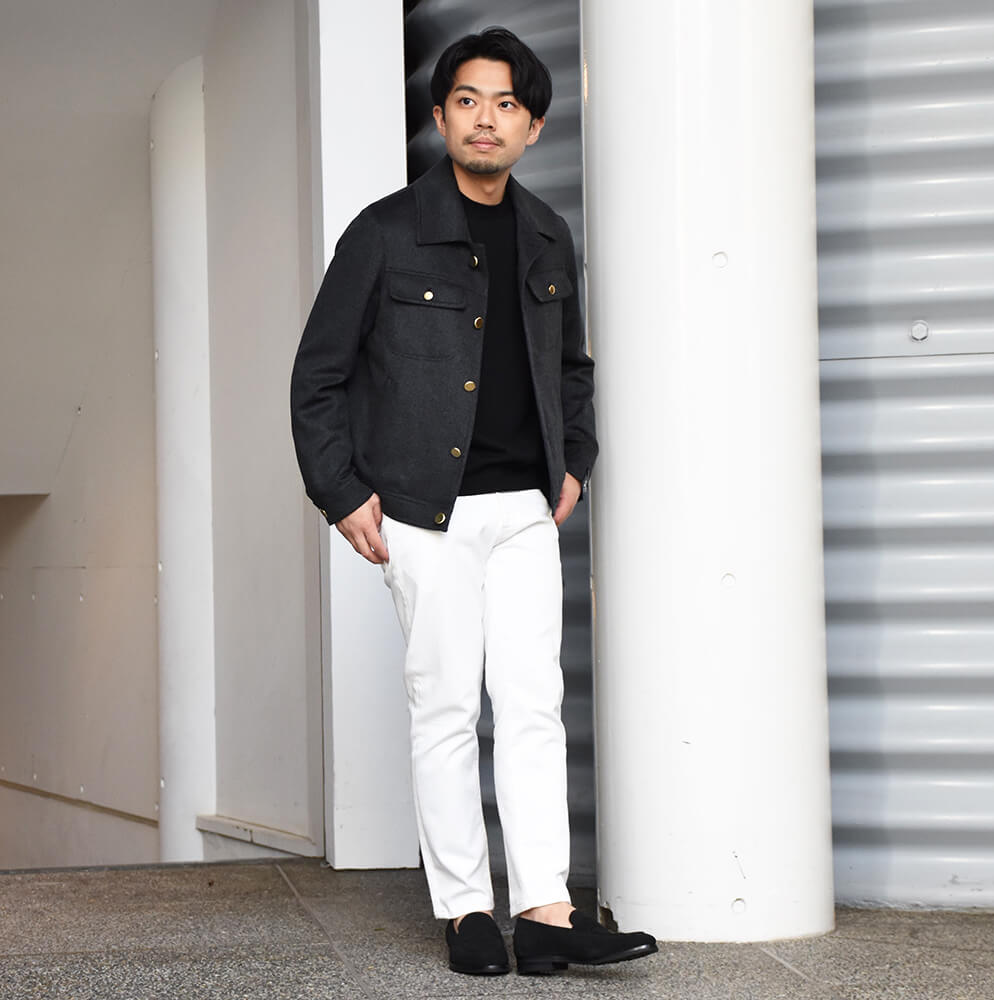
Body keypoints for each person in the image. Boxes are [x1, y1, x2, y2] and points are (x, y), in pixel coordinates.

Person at [290, 26, 656, 976]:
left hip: (525, 507)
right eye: (466, 100)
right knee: (446, 708)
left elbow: (572, 368)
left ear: (533, 127)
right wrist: (341, 491)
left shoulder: (546, 234)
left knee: (535, 705)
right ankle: (466, 911)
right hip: (425, 512)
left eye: (505, 104)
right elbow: (318, 374)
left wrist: (574, 462)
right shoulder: (384, 233)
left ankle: (544, 910)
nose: (484, 119)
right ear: (441, 116)